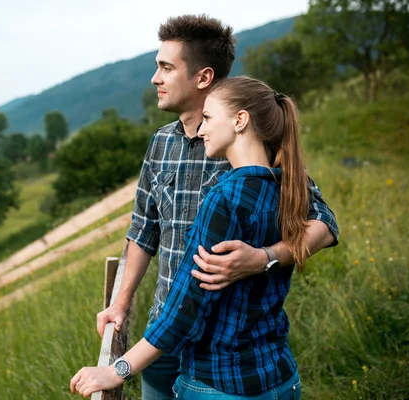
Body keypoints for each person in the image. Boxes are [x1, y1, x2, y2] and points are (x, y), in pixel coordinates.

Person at [94, 15, 339, 399]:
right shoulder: (161, 144)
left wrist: (263, 257)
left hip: (223, 345)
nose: (154, 78)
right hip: (163, 330)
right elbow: (144, 232)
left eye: (165, 68)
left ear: (203, 78)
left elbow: (324, 223)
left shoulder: (253, 145)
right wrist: (120, 304)